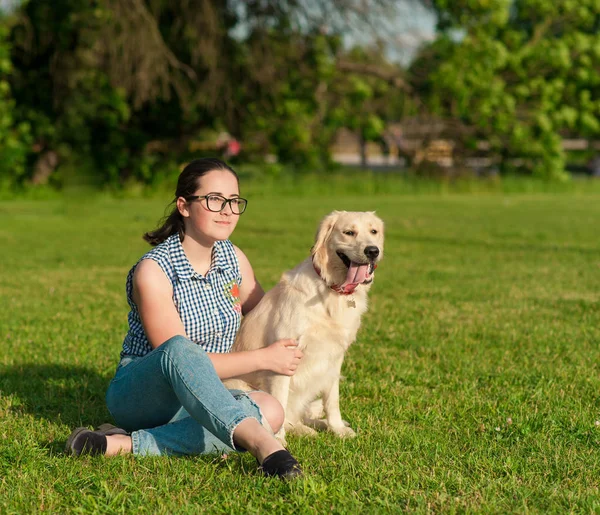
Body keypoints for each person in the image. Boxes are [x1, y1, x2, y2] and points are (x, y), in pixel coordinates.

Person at [65, 158, 304, 479]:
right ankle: (266, 447)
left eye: (234, 201)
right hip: (145, 395)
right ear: (184, 206)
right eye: (215, 200)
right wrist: (264, 359)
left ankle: (119, 445)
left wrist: (320, 280)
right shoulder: (153, 270)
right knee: (181, 348)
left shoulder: (234, 259)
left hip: (208, 396)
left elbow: (267, 318)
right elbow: (179, 359)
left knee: (272, 409)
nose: (227, 210)